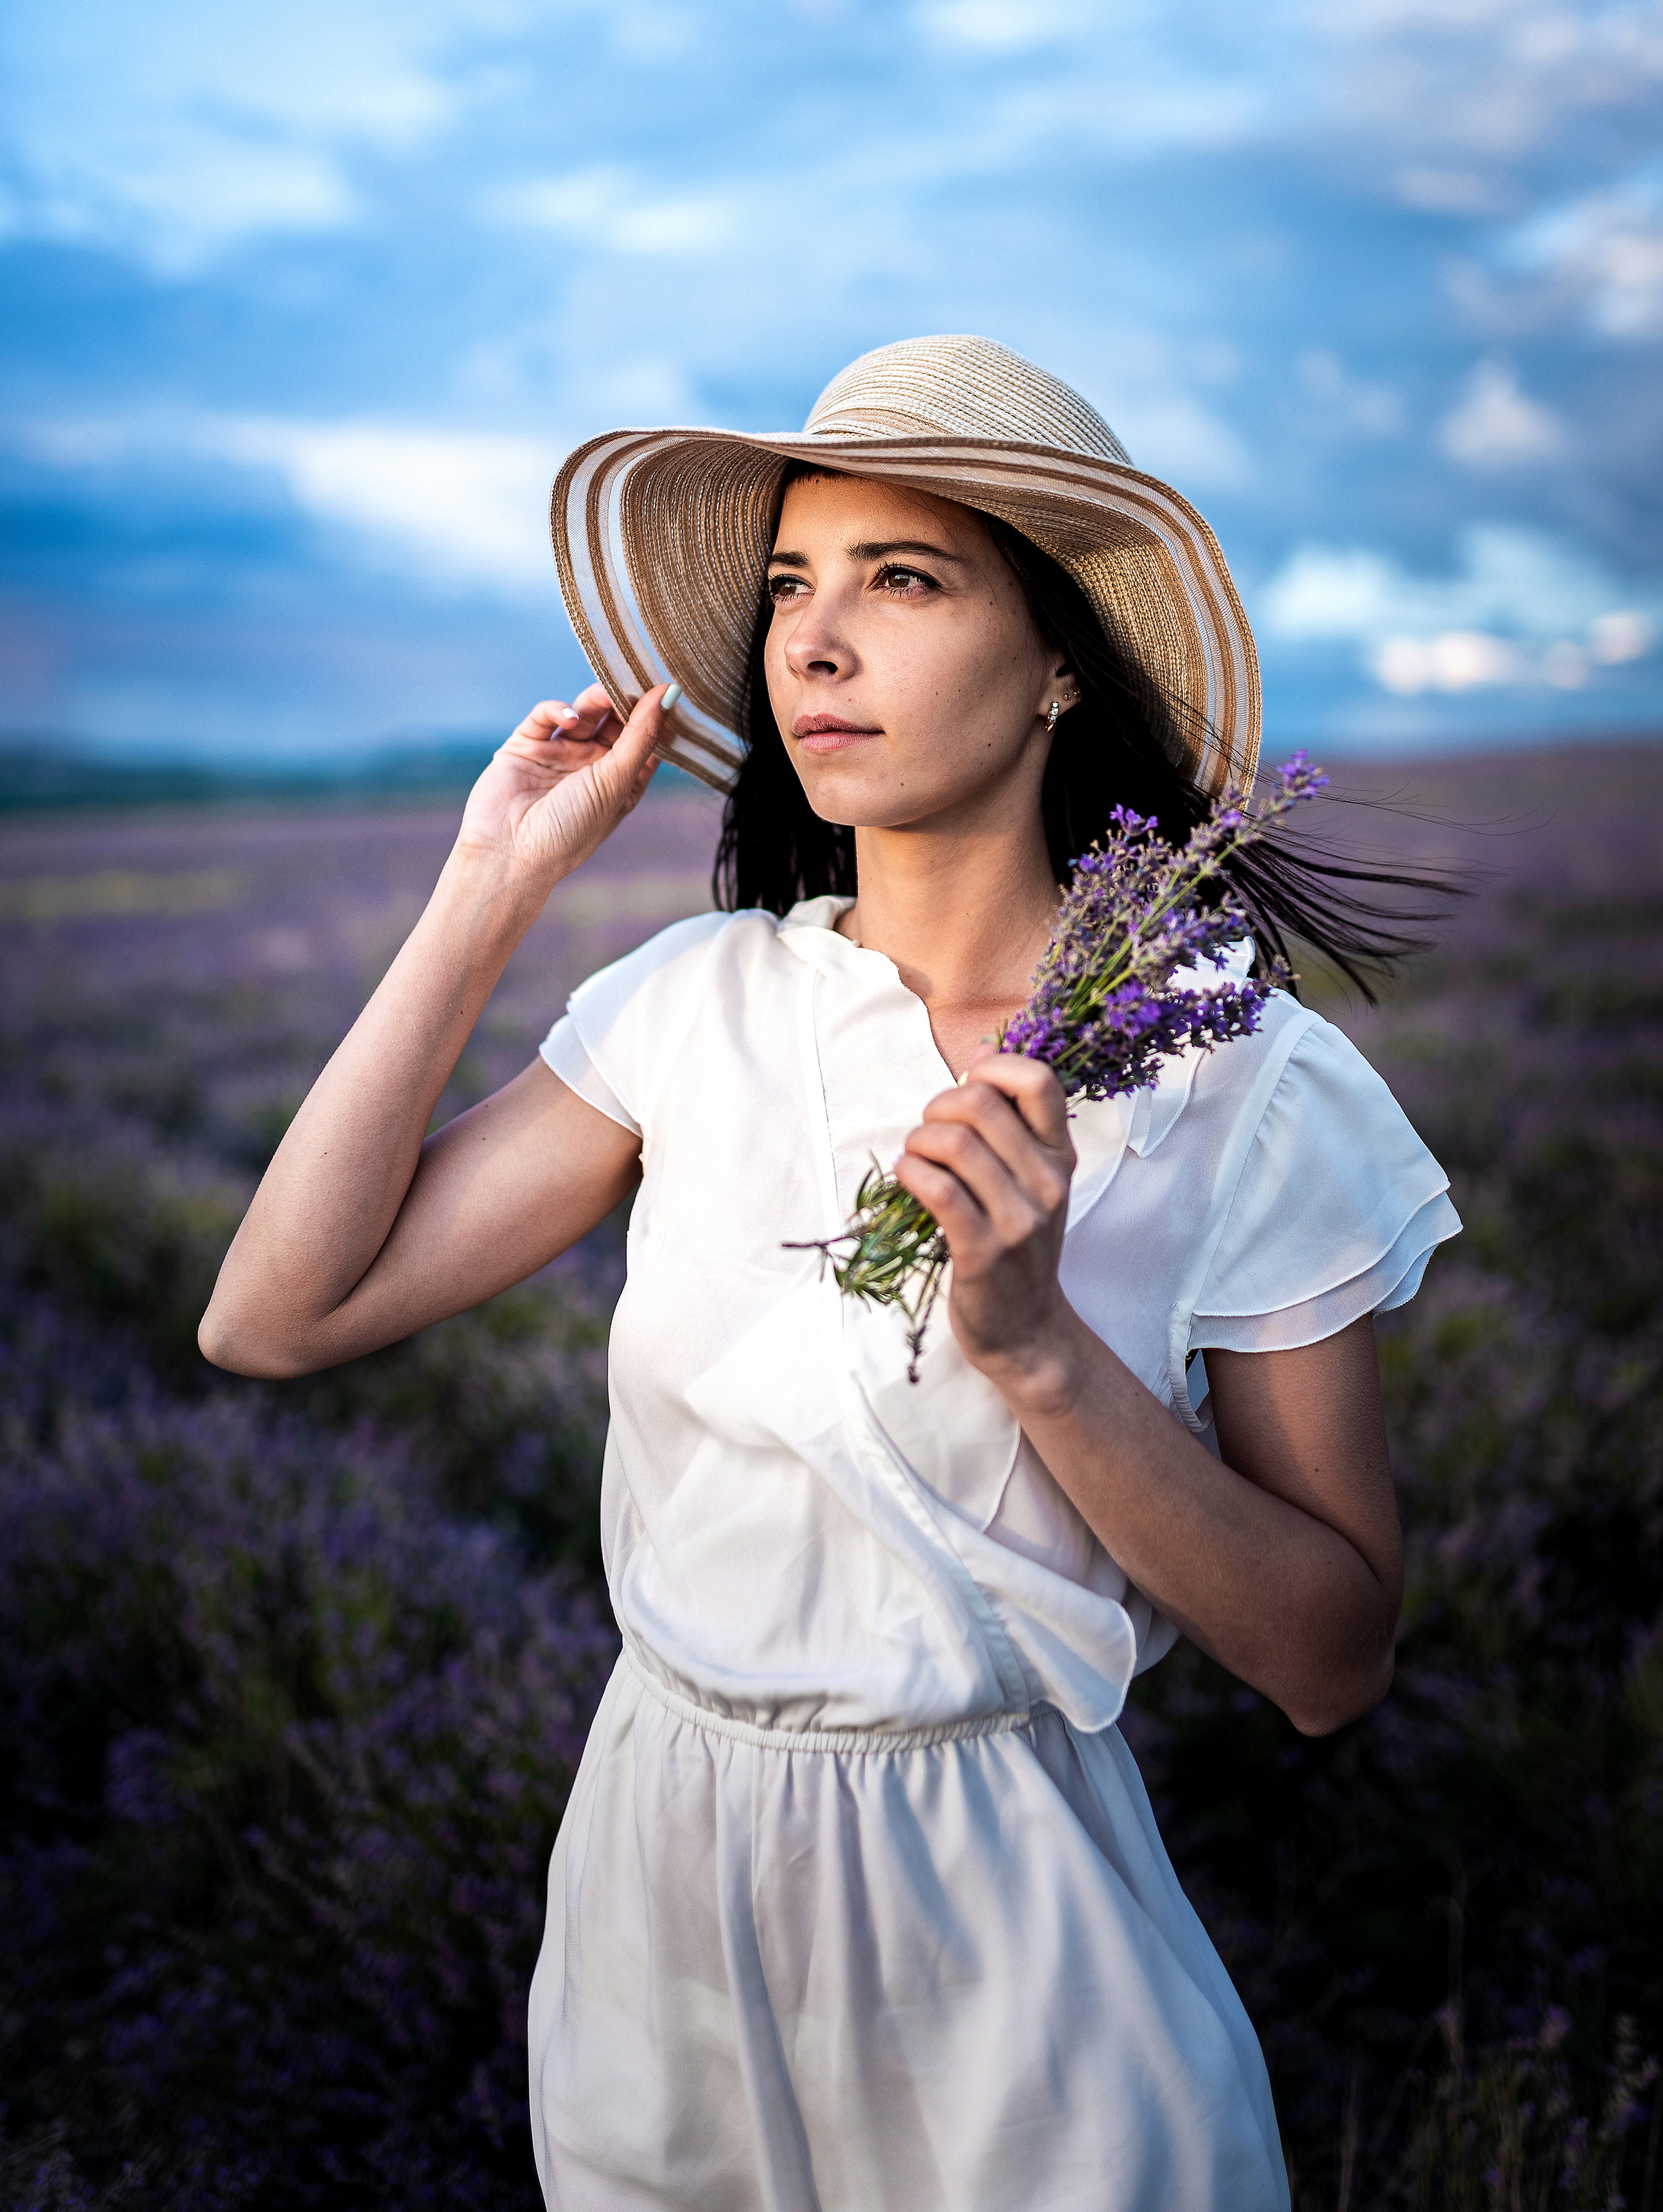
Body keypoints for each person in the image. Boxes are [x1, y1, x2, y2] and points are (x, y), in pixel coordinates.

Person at [201, 335, 1460, 2212]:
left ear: (1055, 663)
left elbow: (1332, 1660)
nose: (813, 640)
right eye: (792, 585)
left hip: (1014, 1939)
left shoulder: (1242, 1074)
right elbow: (270, 1315)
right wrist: (491, 882)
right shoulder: (695, 1003)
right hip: (659, 1908)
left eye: (903, 578)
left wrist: (1036, 1348)